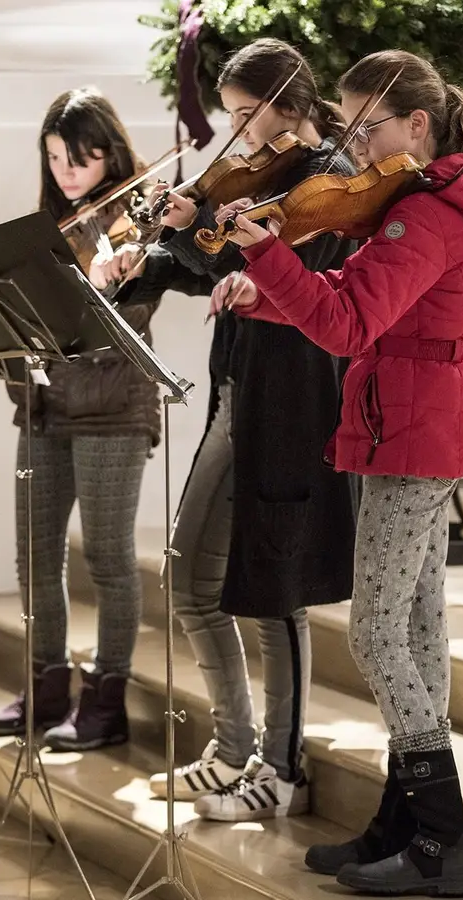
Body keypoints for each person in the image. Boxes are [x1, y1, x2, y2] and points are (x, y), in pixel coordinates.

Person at [209, 48, 463, 897]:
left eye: (368, 128)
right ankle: (404, 819)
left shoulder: (429, 216)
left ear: (418, 124)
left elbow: (346, 323)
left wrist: (268, 256)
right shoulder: (419, 202)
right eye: (349, 128)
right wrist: (262, 289)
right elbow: (352, 290)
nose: (355, 148)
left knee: (379, 635)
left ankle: (444, 839)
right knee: (417, 627)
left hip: (412, 429)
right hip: (414, 418)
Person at [113, 38, 359, 823]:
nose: (242, 137)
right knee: (189, 577)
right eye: (234, 120)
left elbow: (292, 279)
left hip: (291, 399)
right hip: (235, 385)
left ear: (293, 105)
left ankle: (281, 769)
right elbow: (211, 268)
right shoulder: (254, 176)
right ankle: (231, 747)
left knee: (273, 580)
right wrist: (151, 256)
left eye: (250, 118)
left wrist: (203, 237)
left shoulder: (330, 184)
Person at [0, 87, 191, 752]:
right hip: (44, 406)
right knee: (34, 557)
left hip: (112, 407)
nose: (66, 172)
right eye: (53, 159)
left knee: (106, 557)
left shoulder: (136, 220)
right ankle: (45, 691)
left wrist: (104, 283)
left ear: (110, 153)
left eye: (78, 157)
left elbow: (131, 315)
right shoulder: (50, 229)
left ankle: (107, 702)